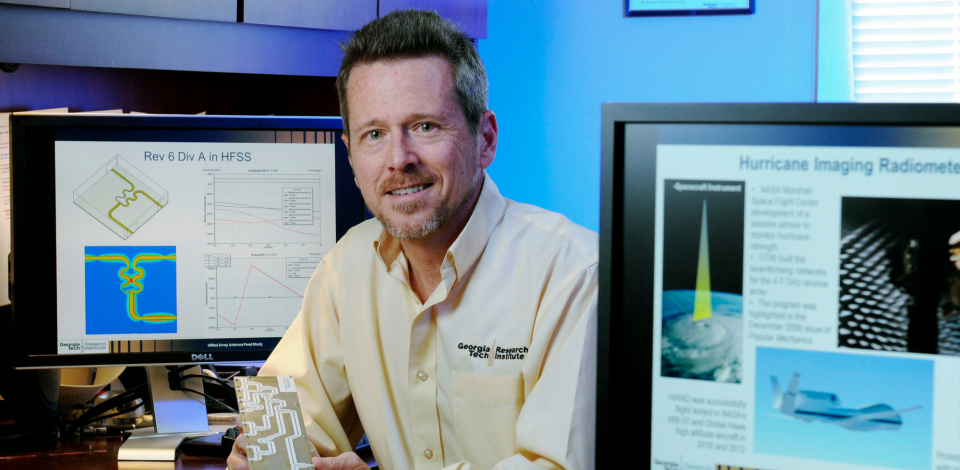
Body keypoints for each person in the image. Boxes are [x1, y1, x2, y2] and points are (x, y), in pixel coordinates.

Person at [227, 9, 597, 470]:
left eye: (425, 126)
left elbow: (561, 465)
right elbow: (284, 414)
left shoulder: (575, 276)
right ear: (351, 155)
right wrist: (264, 453)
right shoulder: (349, 267)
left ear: (484, 139)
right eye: (374, 134)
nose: (398, 159)